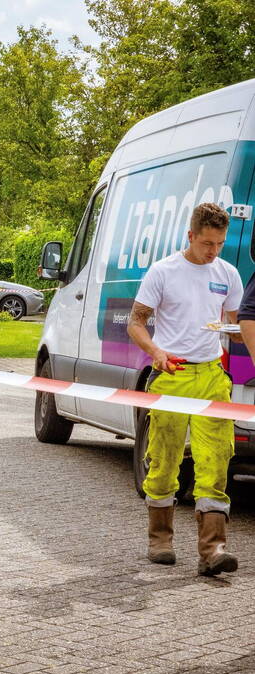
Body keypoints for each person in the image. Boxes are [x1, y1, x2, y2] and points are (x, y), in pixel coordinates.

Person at [127, 202, 242, 576]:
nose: (213, 251)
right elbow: (136, 322)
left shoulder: (228, 274)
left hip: (212, 375)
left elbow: (238, 323)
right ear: (191, 236)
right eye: (207, 242)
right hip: (173, 374)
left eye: (220, 244)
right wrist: (156, 352)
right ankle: (160, 539)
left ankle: (213, 550)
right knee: (164, 459)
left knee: (216, 460)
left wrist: (236, 333)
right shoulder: (163, 272)